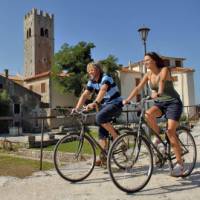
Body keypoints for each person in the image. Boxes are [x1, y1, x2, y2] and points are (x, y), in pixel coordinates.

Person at [123, 52, 184, 176]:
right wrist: (128, 99)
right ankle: (159, 139)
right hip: (160, 104)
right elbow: (138, 88)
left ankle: (180, 164)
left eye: (147, 60)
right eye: (144, 61)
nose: (145, 63)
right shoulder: (148, 74)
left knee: (171, 131)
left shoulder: (164, 70)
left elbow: (161, 82)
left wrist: (158, 93)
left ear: (154, 61)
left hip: (173, 103)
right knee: (148, 114)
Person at [72, 61, 123, 166]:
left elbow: (103, 90)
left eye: (92, 69)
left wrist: (95, 103)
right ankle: (103, 157)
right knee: (101, 133)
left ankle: (117, 138)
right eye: (88, 70)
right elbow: (85, 95)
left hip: (116, 103)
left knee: (99, 117)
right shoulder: (91, 81)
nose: (90, 71)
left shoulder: (106, 77)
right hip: (105, 106)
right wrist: (76, 108)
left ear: (98, 70)